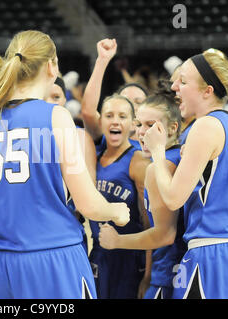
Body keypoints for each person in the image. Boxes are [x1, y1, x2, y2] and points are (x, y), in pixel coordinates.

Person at [0, 30, 130, 299]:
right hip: (52, 258)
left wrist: (9, 216)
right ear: (51, 66)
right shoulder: (55, 116)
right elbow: (88, 204)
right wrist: (116, 212)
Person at [143, 51, 228, 298]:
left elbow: (173, 199)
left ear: (207, 91)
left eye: (183, 82)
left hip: (212, 253)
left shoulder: (205, 126)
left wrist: (158, 152)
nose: (174, 86)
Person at [99, 80, 187, 299]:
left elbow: (165, 234)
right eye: (139, 124)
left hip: (168, 272)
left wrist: (117, 241)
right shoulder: (181, 156)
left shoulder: (159, 167)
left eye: (150, 125)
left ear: (173, 128)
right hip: (181, 267)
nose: (142, 132)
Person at [88, 94, 151, 299]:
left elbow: (149, 223)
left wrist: (148, 275)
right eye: (109, 115)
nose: (115, 120)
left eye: (122, 116)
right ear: (101, 122)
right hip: (99, 254)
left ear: (133, 124)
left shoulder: (139, 160)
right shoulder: (93, 156)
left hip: (130, 258)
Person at [45, 76, 97, 254]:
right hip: (31, 234)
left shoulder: (81, 137)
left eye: (56, 97)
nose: (50, 103)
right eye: (45, 97)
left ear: (65, 99)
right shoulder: (25, 135)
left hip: (68, 233)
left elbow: (89, 193)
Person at [81, 39, 147, 155]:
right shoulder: (107, 137)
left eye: (138, 102)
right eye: (126, 101)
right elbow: (88, 111)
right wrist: (102, 60)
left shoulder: (159, 145)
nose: (131, 106)